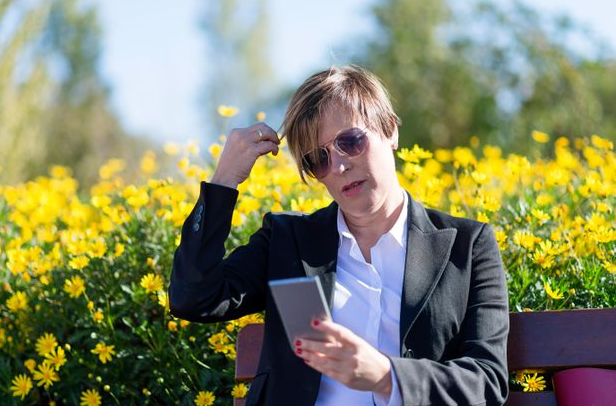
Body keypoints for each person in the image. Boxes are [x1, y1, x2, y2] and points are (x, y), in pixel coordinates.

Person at [169, 65, 509, 405]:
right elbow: (195, 297)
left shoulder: (466, 246)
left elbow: (488, 383)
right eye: (318, 159)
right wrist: (223, 181)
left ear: (390, 129)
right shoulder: (290, 242)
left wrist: (386, 377)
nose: (339, 166)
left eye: (350, 141)